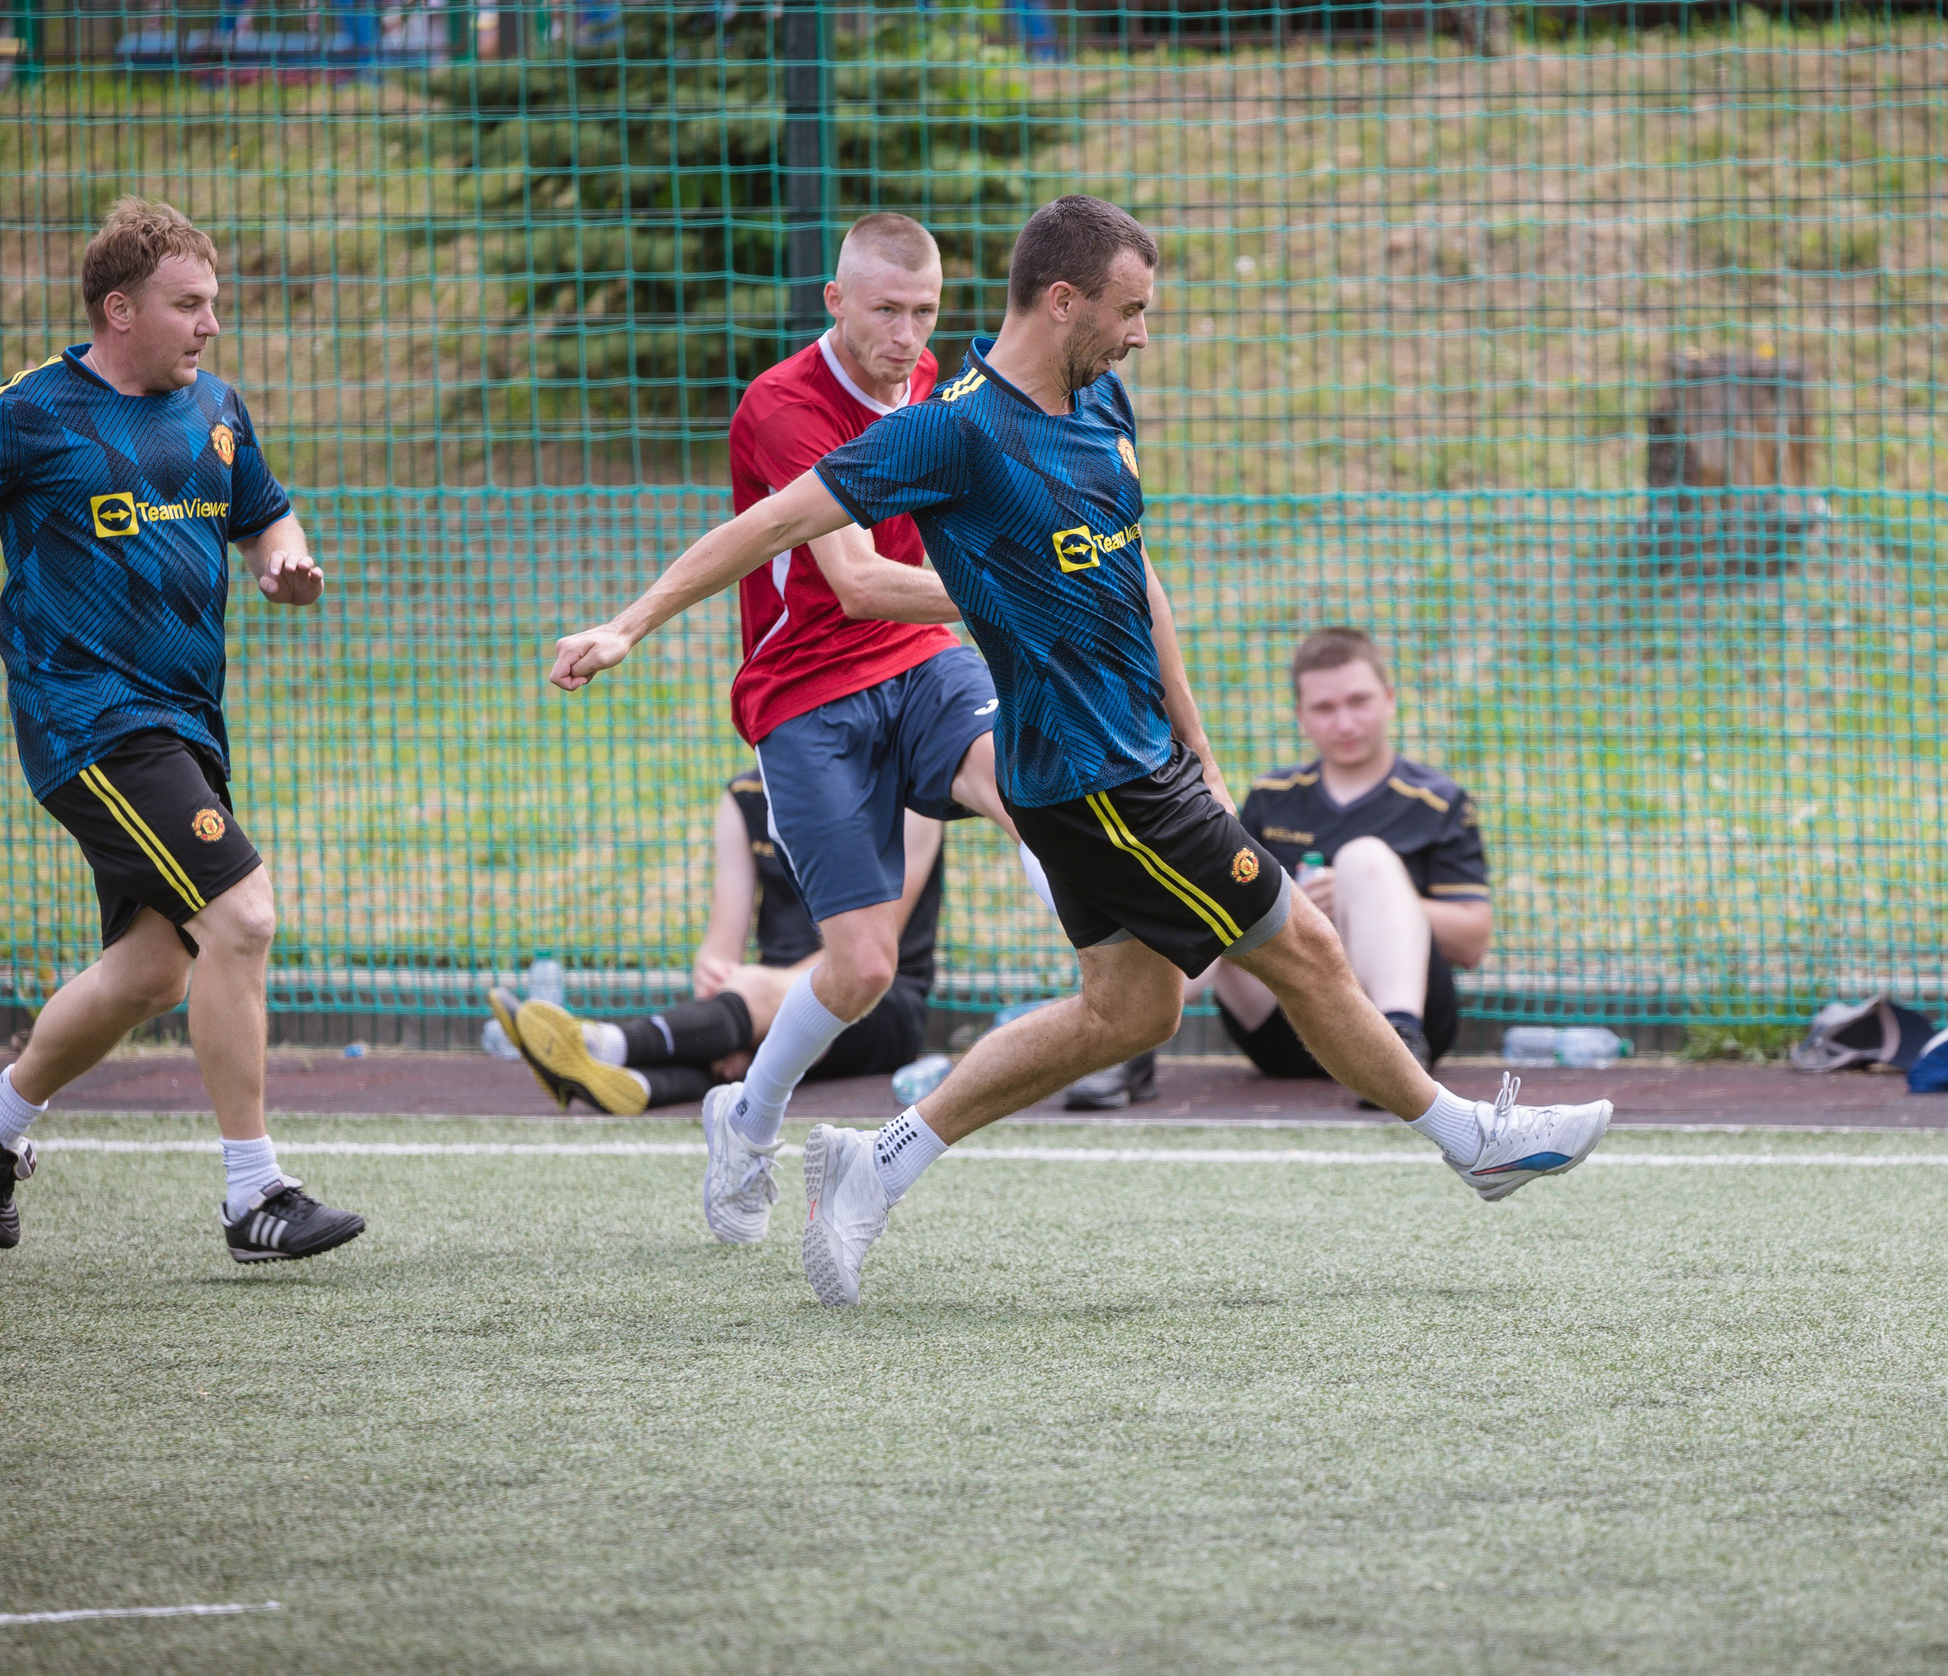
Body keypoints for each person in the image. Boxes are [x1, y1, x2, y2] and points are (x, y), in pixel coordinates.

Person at [548, 193, 1613, 1310]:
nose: (1141, 332)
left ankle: (880, 1161)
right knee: (1301, 942)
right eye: (1129, 310)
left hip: (1139, 762)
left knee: (1132, 1012)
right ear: (1061, 302)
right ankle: (1469, 1141)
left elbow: (1133, 575)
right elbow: (768, 526)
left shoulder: (1105, 402)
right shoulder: (949, 428)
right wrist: (629, 621)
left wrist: (1194, 733)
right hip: (1091, 781)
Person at [559, 211, 1033, 1248]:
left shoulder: (937, 383)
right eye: (885, 312)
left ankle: (1116, 947)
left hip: (918, 665)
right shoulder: (782, 406)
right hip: (806, 689)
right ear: (835, 301)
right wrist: (628, 625)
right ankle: (748, 1116)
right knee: (862, 968)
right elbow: (858, 583)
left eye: (923, 313)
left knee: (1021, 780)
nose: (906, 337)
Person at [0, 198, 364, 1262]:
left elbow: (264, 514)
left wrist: (281, 564)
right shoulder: (33, 414)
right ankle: (254, 1193)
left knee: (157, 968)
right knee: (241, 917)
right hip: (91, 719)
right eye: (188, 305)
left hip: (187, 721)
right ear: (119, 309)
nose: (209, 325)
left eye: (213, 305)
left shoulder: (214, 406)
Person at [488, 775, 946, 1115]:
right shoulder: (745, 798)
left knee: (768, 1004)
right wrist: (718, 979)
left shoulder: (907, 796)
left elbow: (866, 954)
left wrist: (762, 1003)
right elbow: (719, 948)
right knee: (737, 1029)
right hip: (756, 999)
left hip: (878, 1003)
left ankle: (604, 1044)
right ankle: (633, 1084)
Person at [1208, 626, 1490, 1100]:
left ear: (1389, 699)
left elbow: (1472, 940)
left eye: (1358, 701)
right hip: (1281, 1029)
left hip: (1394, 1026)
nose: (1344, 723)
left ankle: (1397, 1040)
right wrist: (1291, 905)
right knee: (1207, 877)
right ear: (1300, 716)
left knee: (1365, 860)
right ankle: (1128, 1040)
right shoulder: (1271, 798)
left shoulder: (1437, 801)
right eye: (1324, 708)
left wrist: (1371, 898)